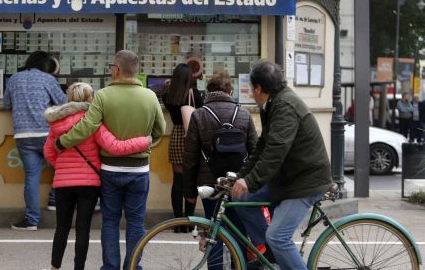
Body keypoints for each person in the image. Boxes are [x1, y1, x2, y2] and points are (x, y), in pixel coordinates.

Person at [55, 50, 166, 270]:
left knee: (111, 222)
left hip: (110, 169)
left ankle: (110, 267)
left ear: (116, 70)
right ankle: (133, 266)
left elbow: (88, 126)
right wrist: (144, 144)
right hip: (139, 171)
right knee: (135, 224)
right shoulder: (150, 96)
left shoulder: (104, 95)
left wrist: (62, 142)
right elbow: (159, 131)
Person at [231, 61, 333, 270]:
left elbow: (275, 152)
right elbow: (262, 146)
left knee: (279, 236)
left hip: (305, 182)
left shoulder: (285, 106)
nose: (251, 93)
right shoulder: (273, 103)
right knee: (240, 197)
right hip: (289, 178)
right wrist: (241, 176)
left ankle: (275, 246)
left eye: (252, 89)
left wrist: (250, 180)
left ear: (258, 88)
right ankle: (270, 251)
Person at [44, 82, 151, 270]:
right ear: (89, 99)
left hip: (62, 184)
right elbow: (114, 147)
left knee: (62, 227)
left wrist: (63, 168)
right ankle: (79, 268)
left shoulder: (57, 123)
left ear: (69, 98)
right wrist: (144, 141)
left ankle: (55, 266)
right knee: (82, 228)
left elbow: (49, 152)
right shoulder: (92, 123)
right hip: (89, 184)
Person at [183, 70, 269, 269]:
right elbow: (255, 149)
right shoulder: (244, 114)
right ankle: (238, 266)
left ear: (209, 91)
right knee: (239, 228)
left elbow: (190, 157)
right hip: (237, 181)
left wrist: (189, 193)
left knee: (214, 230)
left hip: (209, 182)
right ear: (230, 91)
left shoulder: (199, 115)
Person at [4, 51, 67, 230]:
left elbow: (6, 103)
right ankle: (54, 200)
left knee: (32, 177)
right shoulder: (48, 79)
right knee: (61, 165)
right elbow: (63, 102)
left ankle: (31, 220)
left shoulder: (14, 78)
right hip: (46, 132)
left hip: (23, 135)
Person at [162, 63, 202, 226]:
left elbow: (166, 97)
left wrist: (167, 86)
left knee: (178, 180)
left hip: (177, 136)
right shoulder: (195, 94)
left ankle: (177, 222)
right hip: (191, 137)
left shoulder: (168, 95)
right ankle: (189, 221)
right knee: (191, 179)